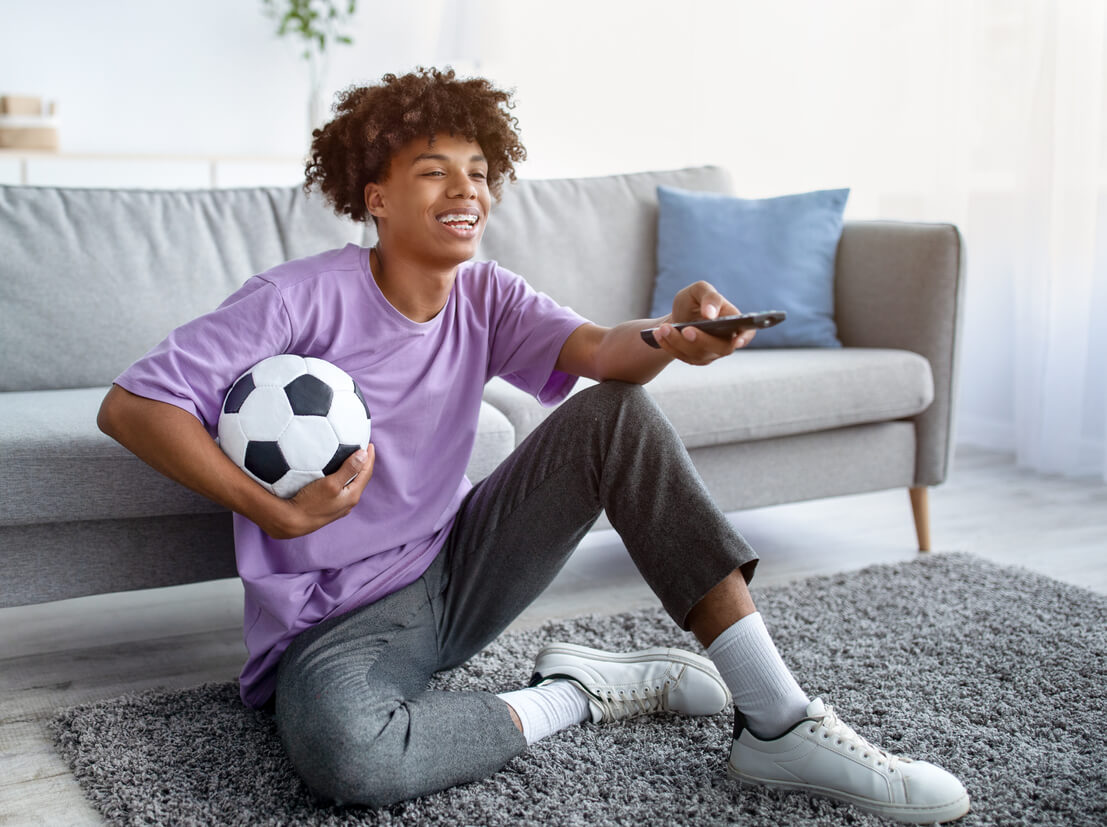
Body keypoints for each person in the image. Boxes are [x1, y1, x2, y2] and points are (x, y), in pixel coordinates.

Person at [97, 67, 969, 824]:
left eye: (478, 173)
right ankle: (576, 693)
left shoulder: (485, 294)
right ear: (376, 196)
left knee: (616, 415)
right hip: (336, 623)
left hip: (454, 568)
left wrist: (673, 335)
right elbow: (135, 404)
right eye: (433, 171)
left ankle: (776, 719)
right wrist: (272, 511)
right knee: (348, 760)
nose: (465, 191)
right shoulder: (294, 299)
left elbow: (596, 352)